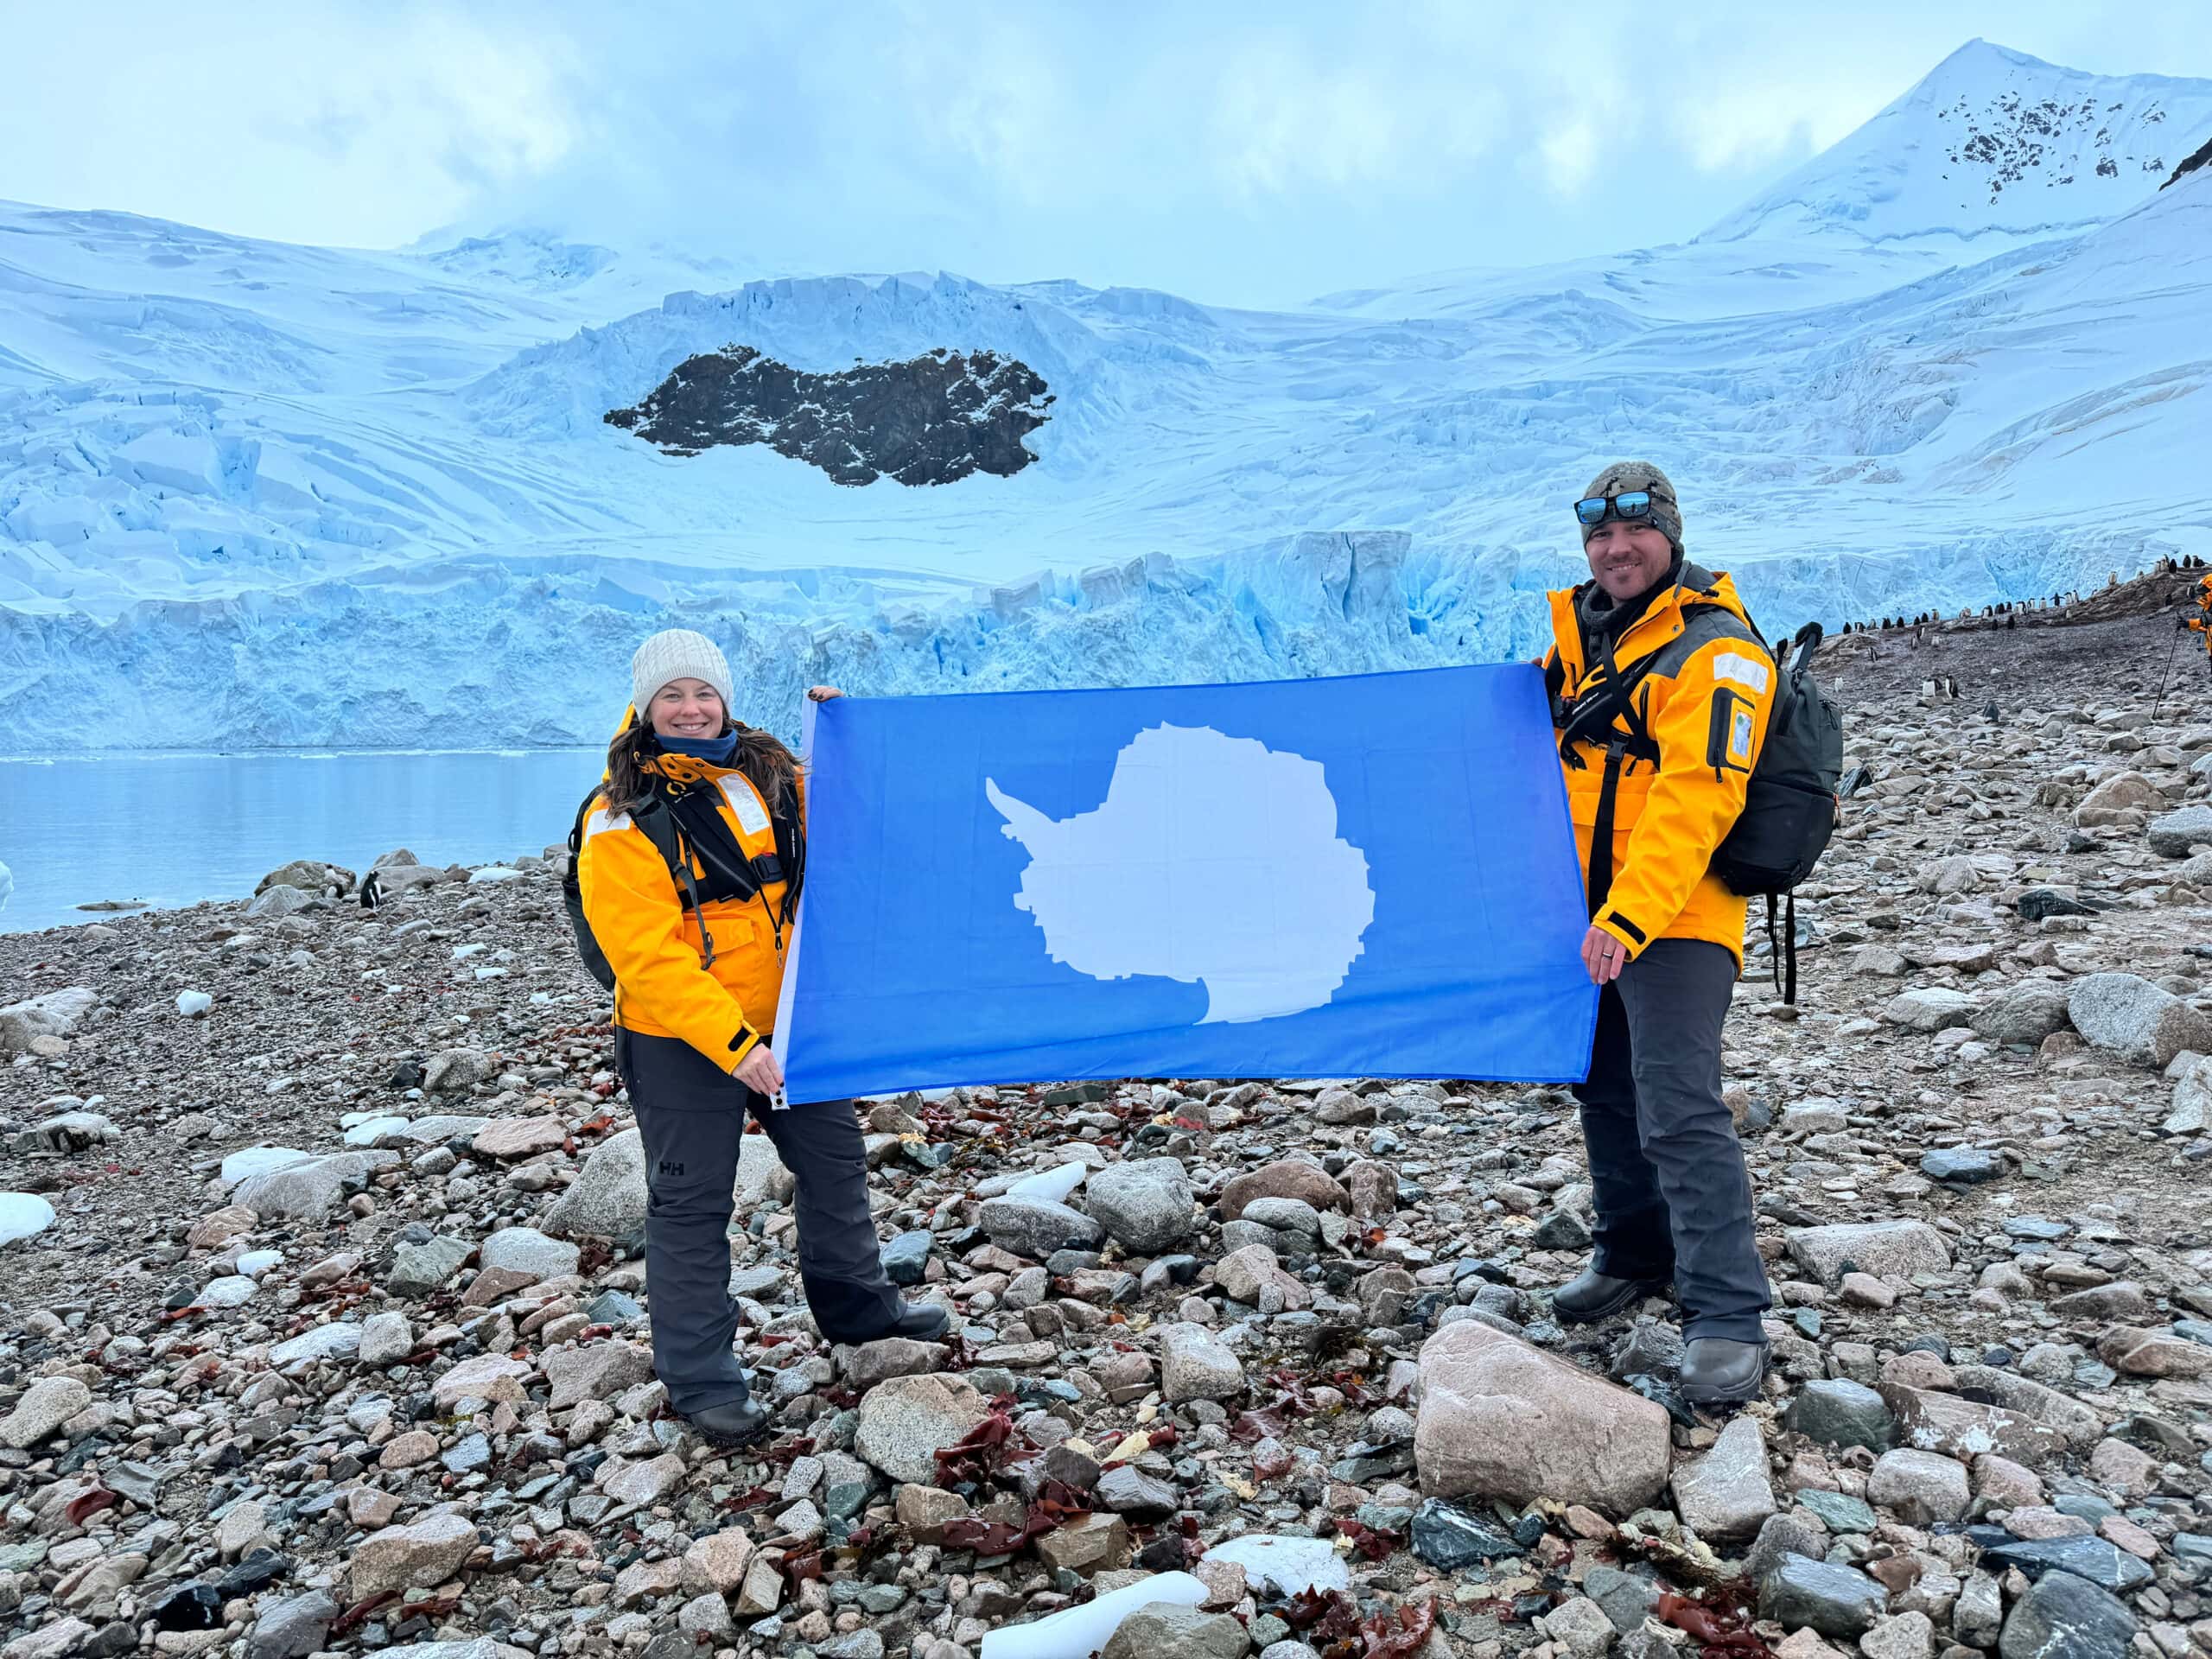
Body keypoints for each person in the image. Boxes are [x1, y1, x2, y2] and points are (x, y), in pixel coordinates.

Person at [576, 628, 946, 1445]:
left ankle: (862, 1314)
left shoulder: (766, 774)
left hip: (790, 1023)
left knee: (834, 1160)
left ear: (725, 699)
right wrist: (735, 1047)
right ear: (645, 705)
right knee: (691, 1203)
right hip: (683, 1038)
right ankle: (703, 1381)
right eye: (672, 694)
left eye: (703, 693)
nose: (692, 708)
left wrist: (850, 733)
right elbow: (644, 956)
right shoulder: (617, 816)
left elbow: (862, 810)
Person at [1540, 461, 1775, 1405]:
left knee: (1677, 1105)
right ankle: (1633, 1254)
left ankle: (1727, 1314)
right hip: (1589, 912)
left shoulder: (1715, 652)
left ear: (1668, 535)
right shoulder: (1580, 642)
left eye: (1632, 531)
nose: (1613, 549)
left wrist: (1630, 917)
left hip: (1674, 911)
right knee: (1601, 1089)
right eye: (1597, 535)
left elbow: (1696, 797)